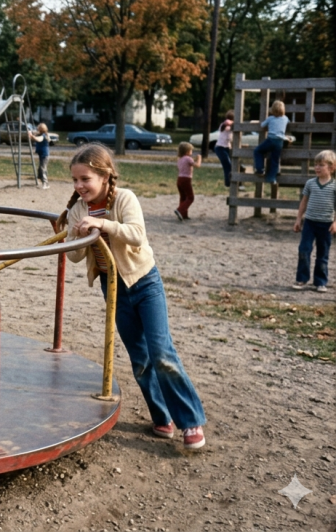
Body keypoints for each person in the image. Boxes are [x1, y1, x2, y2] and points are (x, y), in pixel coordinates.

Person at [61, 143, 207, 450]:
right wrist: (73, 236)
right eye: (75, 180)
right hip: (113, 288)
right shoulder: (78, 209)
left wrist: (102, 224)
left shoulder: (124, 198)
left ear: (105, 176)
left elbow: (137, 234)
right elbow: (74, 257)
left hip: (144, 283)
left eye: (85, 179)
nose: (79, 186)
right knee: (140, 359)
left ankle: (190, 420)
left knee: (161, 353)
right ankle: (161, 416)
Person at [292, 150, 336, 293]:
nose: (317, 168)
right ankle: (302, 278)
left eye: (321, 165)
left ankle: (320, 281)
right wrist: (298, 219)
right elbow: (304, 202)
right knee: (304, 250)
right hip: (310, 222)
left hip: (326, 224)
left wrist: (335, 222)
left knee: (322, 254)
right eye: (315, 165)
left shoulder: (334, 186)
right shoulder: (310, 183)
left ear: (331, 167)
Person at [253, 100, 290, 184]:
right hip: (280, 142)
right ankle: (272, 178)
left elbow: (262, 125)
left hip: (271, 140)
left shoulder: (270, 118)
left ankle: (260, 169)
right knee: (275, 160)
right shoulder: (285, 118)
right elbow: (288, 123)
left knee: (258, 151)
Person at [175, 142, 202, 221]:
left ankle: (183, 215)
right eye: (191, 150)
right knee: (190, 197)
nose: (192, 152)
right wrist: (199, 158)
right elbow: (197, 165)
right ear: (187, 151)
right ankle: (180, 210)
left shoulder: (180, 159)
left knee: (183, 197)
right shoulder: (188, 158)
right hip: (186, 179)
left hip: (179, 179)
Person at [214, 110, 234, 187]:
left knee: (232, 165)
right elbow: (228, 124)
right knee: (227, 165)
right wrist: (233, 122)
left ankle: (231, 181)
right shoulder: (225, 125)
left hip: (227, 147)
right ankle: (228, 182)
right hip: (220, 148)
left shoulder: (229, 126)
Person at [28, 123, 52, 190]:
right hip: (41, 154)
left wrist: (32, 136)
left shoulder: (44, 135)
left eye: (38, 128)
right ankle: (41, 181)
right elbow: (34, 134)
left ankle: (45, 184)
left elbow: (39, 139)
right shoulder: (40, 134)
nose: (37, 128)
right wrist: (30, 132)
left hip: (45, 155)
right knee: (40, 169)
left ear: (41, 129)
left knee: (42, 169)